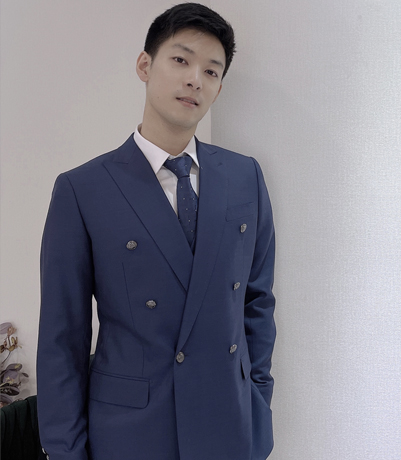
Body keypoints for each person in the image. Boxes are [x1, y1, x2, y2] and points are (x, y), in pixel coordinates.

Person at [36, 4, 276, 460]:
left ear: (219, 87)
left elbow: (257, 301)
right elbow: (62, 339)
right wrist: (65, 450)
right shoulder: (83, 189)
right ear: (145, 65)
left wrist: (257, 399)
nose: (195, 80)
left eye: (211, 71)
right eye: (181, 60)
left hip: (230, 424)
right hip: (132, 432)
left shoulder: (245, 177)